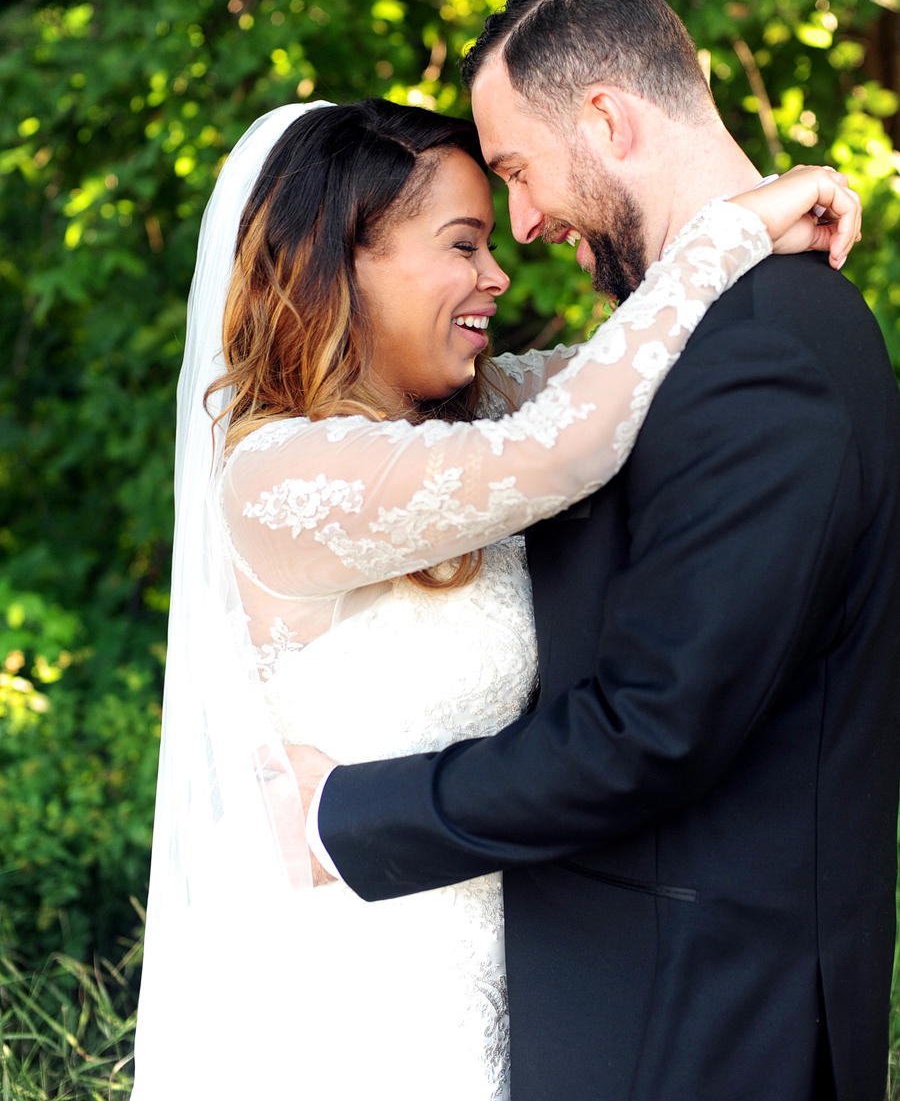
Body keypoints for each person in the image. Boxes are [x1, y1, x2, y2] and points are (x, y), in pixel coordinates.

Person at [132, 88, 860, 1101]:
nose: (498, 274)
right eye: (464, 244)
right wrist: (734, 228)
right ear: (341, 263)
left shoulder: (469, 415)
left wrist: (744, 251)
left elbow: (638, 368)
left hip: (526, 988)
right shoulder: (275, 477)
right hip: (364, 1008)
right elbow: (561, 448)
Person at [294, 0, 900, 1101]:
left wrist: (347, 814)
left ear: (609, 120)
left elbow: (654, 726)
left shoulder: (760, 354)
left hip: (702, 1023)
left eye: (518, 171)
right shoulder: (694, 341)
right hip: (653, 1003)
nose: (523, 225)